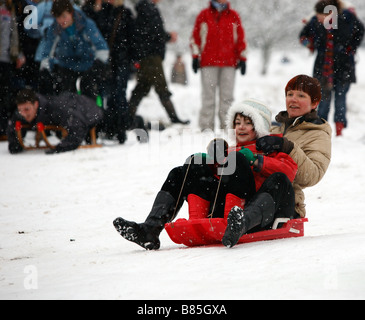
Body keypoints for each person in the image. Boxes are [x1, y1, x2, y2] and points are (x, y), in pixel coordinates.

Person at [113, 99, 298, 250]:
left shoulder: (271, 149)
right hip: (226, 206)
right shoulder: (231, 150)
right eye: (238, 122)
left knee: (249, 165)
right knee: (183, 171)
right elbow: (218, 182)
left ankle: (238, 224)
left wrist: (256, 160)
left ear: (258, 127)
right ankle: (151, 229)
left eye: (248, 123)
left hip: (255, 212)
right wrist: (210, 163)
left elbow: (289, 172)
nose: (241, 127)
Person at [257, 74, 332, 220]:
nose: (293, 99)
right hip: (257, 193)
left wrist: (289, 148)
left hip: (285, 202)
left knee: (278, 179)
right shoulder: (274, 129)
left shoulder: (318, 134)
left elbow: (312, 175)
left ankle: (241, 221)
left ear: (314, 103)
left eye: (301, 95)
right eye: (290, 94)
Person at [299, 0, 364, 136]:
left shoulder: (347, 18)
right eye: (317, 16)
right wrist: (310, 45)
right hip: (322, 67)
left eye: (321, 16)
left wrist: (350, 48)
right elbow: (302, 37)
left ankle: (339, 131)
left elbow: (360, 31)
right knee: (322, 100)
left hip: (344, 66)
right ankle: (321, 129)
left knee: (340, 100)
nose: (319, 19)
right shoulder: (314, 22)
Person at [83, 0, 137, 143]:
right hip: (105, 62)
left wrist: (131, 59)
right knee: (104, 96)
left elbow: (132, 37)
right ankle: (108, 127)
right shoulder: (99, 11)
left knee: (117, 95)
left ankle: (119, 130)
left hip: (119, 61)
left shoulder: (124, 13)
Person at [128, 0, 189, 125]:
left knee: (142, 87)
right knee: (161, 87)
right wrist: (168, 36)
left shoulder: (145, 8)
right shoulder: (149, 9)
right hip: (151, 57)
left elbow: (148, 33)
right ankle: (174, 117)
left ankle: (127, 117)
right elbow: (153, 32)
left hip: (147, 56)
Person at [190, 0, 247, 131]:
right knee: (208, 97)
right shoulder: (204, 15)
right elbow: (195, 37)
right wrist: (195, 56)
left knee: (227, 97)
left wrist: (242, 58)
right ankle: (206, 127)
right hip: (208, 62)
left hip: (229, 62)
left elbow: (240, 38)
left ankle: (227, 127)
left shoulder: (233, 16)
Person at [35, 0, 109, 99]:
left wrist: (98, 64)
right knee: (65, 96)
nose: (61, 21)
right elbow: (47, 52)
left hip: (88, 65)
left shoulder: (86, 25)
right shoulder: (54, 30)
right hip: (66, 66)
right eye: (58, 17)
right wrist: (46, 68)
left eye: (64, 16)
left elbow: (101, 47)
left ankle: (92, 112)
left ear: (71, 13)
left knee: (89, 92)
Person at [7, 88, 103, 154]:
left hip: (88, 109)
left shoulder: (55, 108)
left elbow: (78, 127)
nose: (23, 114)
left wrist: (61, 147)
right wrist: (14, 144)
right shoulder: (22, 112)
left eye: (27, 110)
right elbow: (12, 127)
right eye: (20, 110)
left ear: (36, 104)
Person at [0, 0, 19, 139]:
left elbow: (14, 34)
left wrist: (17, 53)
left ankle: (3, 129)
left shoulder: (9, 8)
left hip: (6, 59)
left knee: (5, 95)